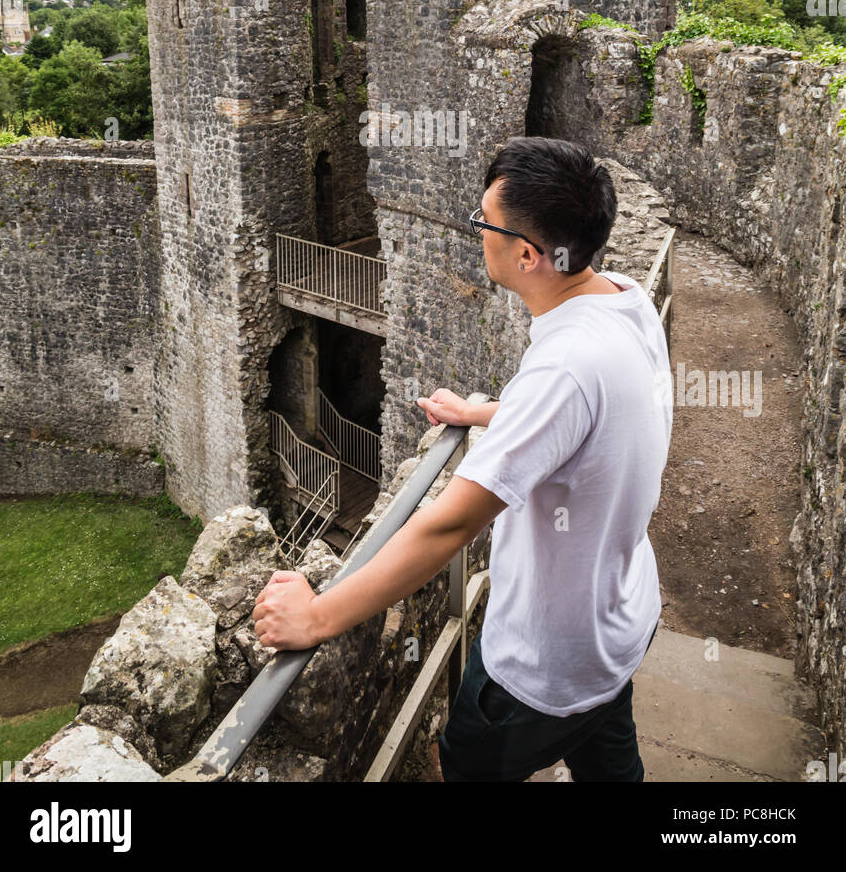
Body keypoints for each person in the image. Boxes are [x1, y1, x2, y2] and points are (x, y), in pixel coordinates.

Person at [252, 135, 673, 782]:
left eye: (485, 223)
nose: (477, 233)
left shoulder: (563, 369)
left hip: (541, 671)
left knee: (460, 770)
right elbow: (595, 422)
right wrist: (488, 414)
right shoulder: (624, 301)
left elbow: (450, 525)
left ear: (528, 255)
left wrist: (317, 615)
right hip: (620, 622)